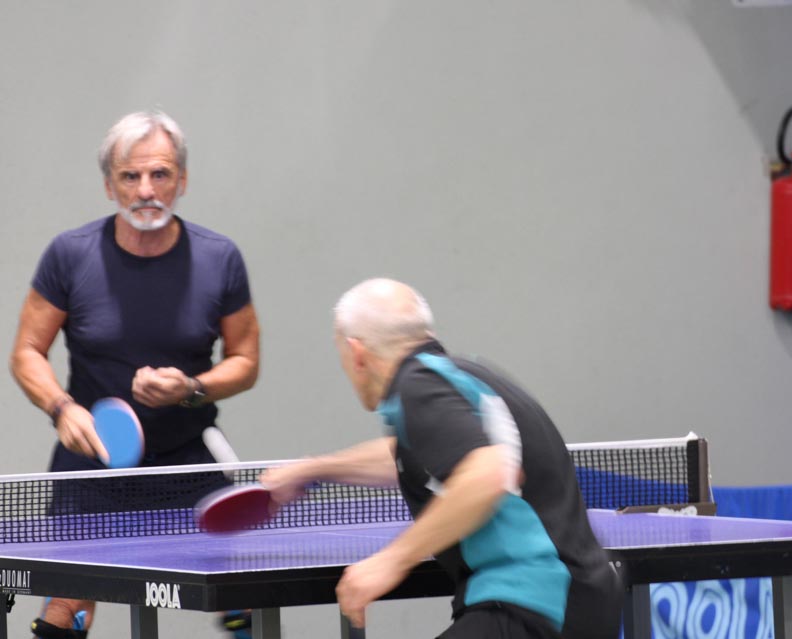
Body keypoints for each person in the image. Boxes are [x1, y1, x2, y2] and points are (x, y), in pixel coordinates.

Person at [9, 111, 260, 638]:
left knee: (243, 602)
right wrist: (62, 408)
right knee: (66, 609)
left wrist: (192, 388)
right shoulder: (70, 255)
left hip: (186, 459)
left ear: (182, 180)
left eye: (160, 174)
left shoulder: (219, 259)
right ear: (110, 185)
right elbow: (27, 351)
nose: (146, 189)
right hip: (92, 463)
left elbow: (245, 362)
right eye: (130, 176)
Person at [262, 278, 622, 639]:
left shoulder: (417, 387)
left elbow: (488, 473)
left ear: (356, 353)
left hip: (533, 604)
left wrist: (392, 560)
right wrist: (316, 468)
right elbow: (414, 455)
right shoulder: (461, 375)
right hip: (576, 599)